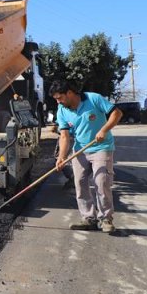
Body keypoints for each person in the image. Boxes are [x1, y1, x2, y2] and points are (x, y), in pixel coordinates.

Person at [52, 80, 122, 233]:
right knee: (80, 183)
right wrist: (61, 157)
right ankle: (88, 218)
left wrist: (104, 130)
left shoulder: (93, 99)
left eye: (60, 98)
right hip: (80, 150)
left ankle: (106, 219)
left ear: (70, 93)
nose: (58, 101)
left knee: (101, 182)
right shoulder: (62, 110)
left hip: (101, 148)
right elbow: (64, 136)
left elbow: (117, 113)